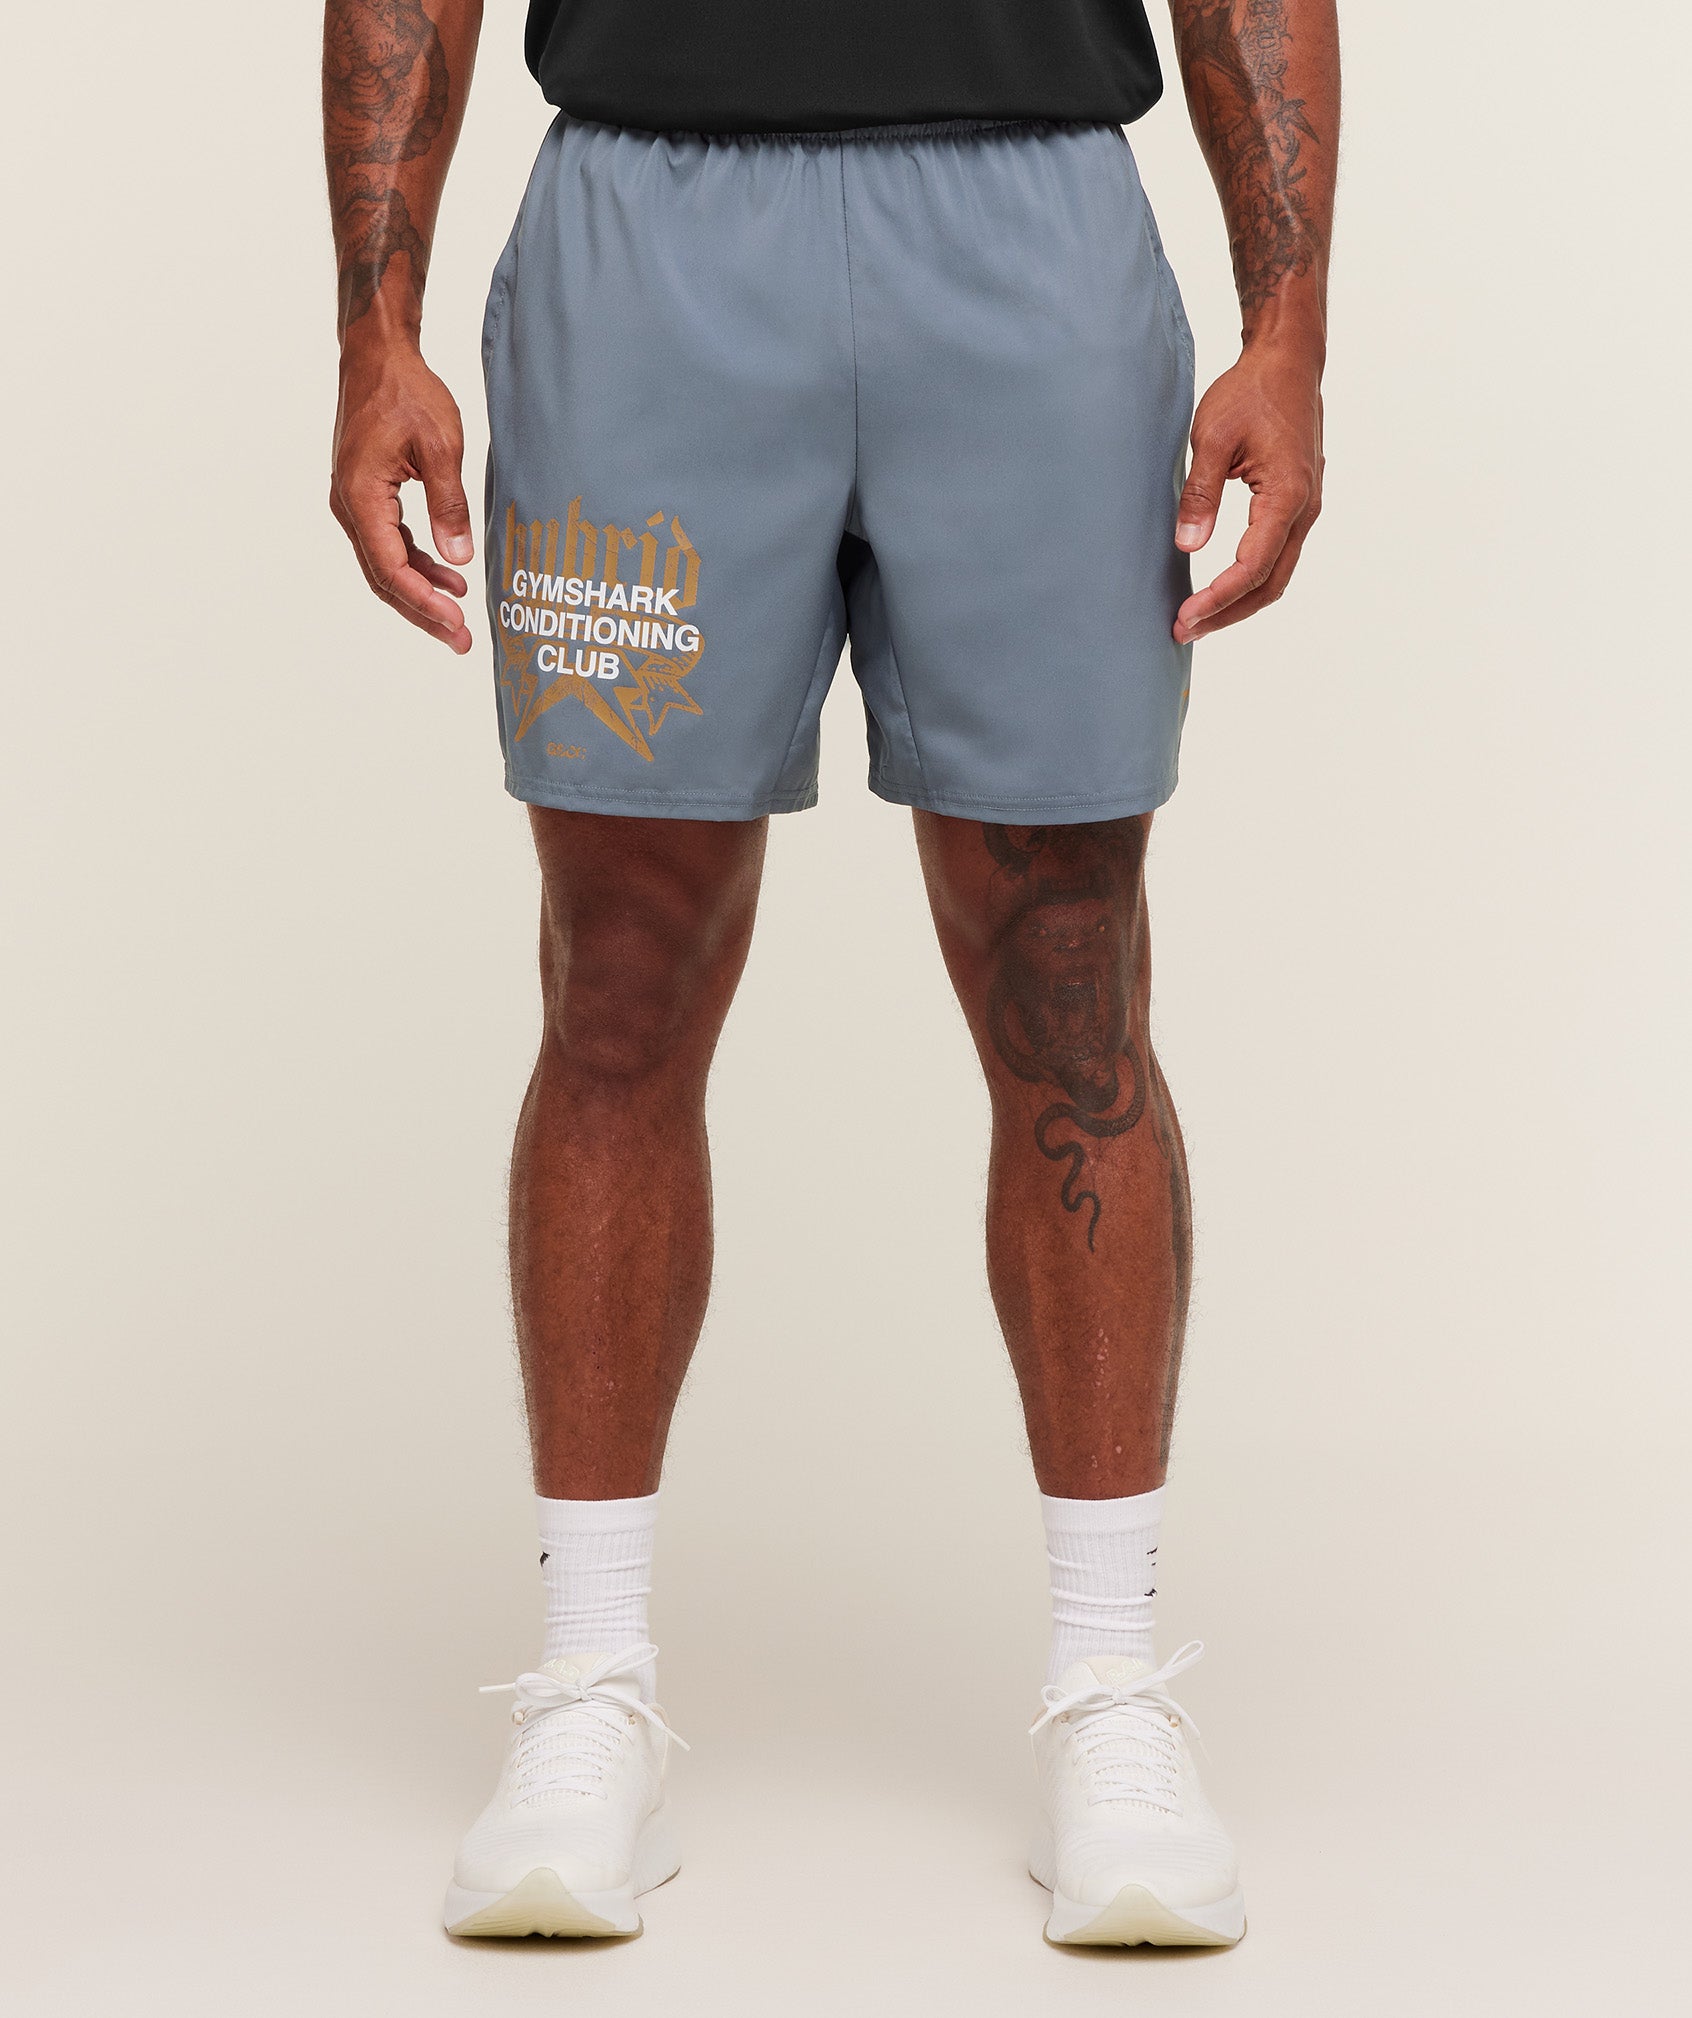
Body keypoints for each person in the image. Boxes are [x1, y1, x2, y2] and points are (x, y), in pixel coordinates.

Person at [323, 0, 1336, 1948]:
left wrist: (1286, 331)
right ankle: (588, 1683)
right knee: (617, 975)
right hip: (649, 238)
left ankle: (1113, 1685)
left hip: (1032, 230)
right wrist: (377, 329)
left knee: (1071, 979)